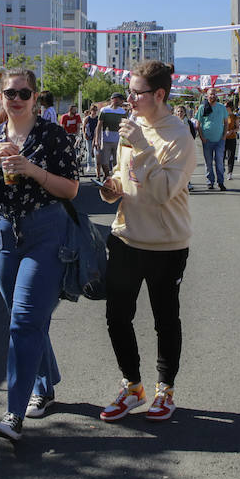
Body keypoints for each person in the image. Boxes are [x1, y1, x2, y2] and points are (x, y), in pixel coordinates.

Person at [0, 68, 80, 443]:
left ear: (35, 98)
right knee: (25, 318)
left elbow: (71, 189)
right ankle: (46, 385)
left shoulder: (52, 136)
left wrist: (32, 169)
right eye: (9, 94)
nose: (16, 99)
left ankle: (14, 413)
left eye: (24, 93)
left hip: (45, 232)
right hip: (0, 233)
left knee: (25, 320)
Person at [98, 61, 193, 422]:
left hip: (167, 242)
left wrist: (141, 146)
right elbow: (128, 174)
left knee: (165, 319)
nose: (130, 98)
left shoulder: (178, 136)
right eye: (129, 91)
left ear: (159, 94)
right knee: (116, 316)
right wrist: (112, 188)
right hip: (126, 235)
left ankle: (164, 391)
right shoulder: (132, 127)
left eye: (137, 92)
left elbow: (165, 190)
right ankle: (132, 386)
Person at [194, 88, 229, 191]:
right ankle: (210, 182)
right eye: (210, 94)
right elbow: (198, 124)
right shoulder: (202, 107)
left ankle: (221, 182)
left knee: (219, 162)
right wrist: (202, 137)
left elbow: (226, 122)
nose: (212, 96)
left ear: (216, 95)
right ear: (207, 96)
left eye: (214, 94)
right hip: (207, 140)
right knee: (208, 162)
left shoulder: (222, 107)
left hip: (219, 140)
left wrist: (224, 136)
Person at [97, 92, 128, 180]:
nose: (121, 102)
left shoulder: (122, 112)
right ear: (114, 100)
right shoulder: (104, 110)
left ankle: (114, 180)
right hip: (106, 140)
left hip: (118, 141)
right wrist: (97, 140)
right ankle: (106, 176)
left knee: (117, 162)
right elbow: (99, 126)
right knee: (104, 162)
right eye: (120, 100)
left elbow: (125, 126)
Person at [175, 104, 197, 193]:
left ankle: (188, 183)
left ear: (184, 113)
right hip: (176, 147)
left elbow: (193, 135)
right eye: (178, 111)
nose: (180, 113)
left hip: (186, 146)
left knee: (186, 166)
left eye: (181, 111)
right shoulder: (173, 122)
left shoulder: (188, 122)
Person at [82, 104, 100, 178]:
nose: (94, 112)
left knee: (96, 152)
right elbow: (83, 126)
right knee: (89, 151)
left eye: (95, 110)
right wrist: (84, 134)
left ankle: (96, 166)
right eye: (93, 110)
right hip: (89, 136)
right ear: (90, 111)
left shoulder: (98, 118)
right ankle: (89, 165)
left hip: (95, 137)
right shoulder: (87, 118)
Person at [223, 102, 239, 177]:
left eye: (226, 106)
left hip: (232, 138)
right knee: (221, 156)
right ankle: (221, 170)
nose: (224, 107)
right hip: (223, 138)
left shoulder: (234, 116)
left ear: (230, 107)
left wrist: (232, 131)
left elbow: (237, 128)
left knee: (231, 156)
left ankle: (230, 172)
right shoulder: (222, 116)